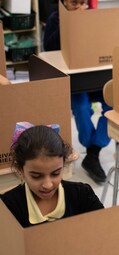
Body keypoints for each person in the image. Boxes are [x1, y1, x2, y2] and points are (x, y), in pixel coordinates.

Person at [43, 0, 112, 183]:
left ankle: (93, 151)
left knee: (114, 106)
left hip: (97, 77)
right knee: (81, 107)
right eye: (74, 3)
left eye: (83, 2)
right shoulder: (54, 19)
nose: (80, 7)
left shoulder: (95, 17)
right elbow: (48, 49)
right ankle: (93, 152)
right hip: (76, 80)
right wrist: (68, 22)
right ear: (63, 3)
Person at [0, 124, 104, 228]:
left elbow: (105, 230)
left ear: (63, 164)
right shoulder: (7, 207)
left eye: (55, 173)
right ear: (21, 170)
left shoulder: (82, 195)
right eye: (36, 176)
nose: (48, 185)